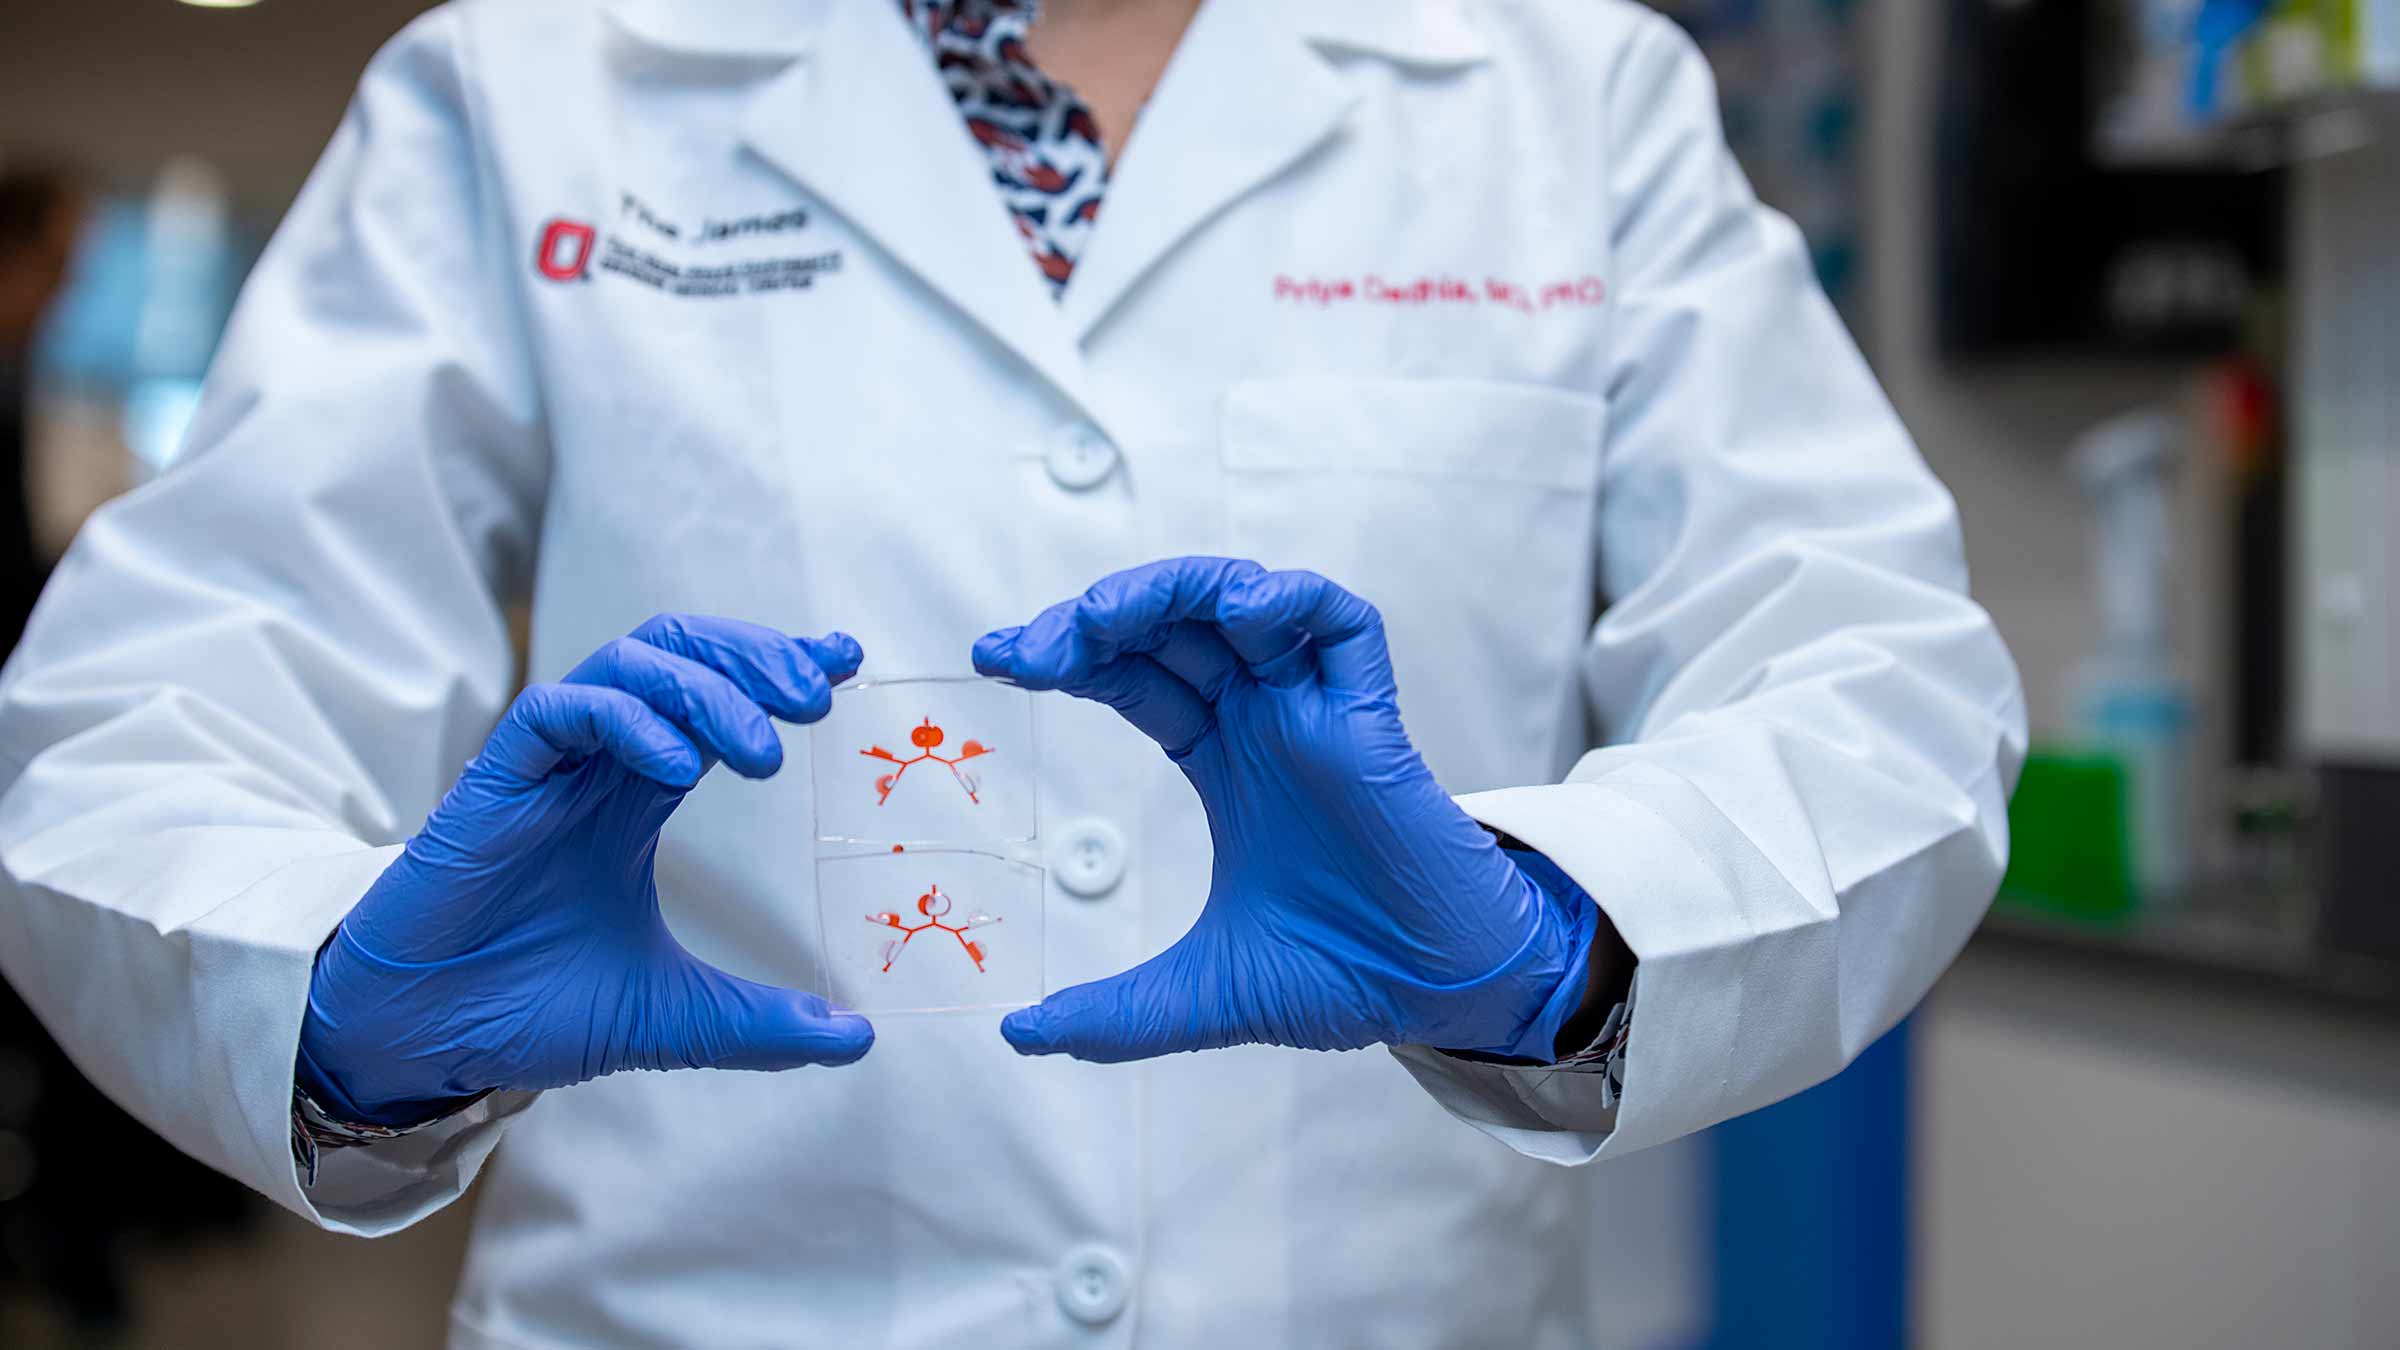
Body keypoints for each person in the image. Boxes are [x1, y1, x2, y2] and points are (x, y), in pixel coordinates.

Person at [0, 2, 2025, 1345]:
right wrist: (353, 1008)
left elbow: (1880, 685)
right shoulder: (537, 83)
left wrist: (1547, 941)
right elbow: (136, 732)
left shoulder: (1558, 90)